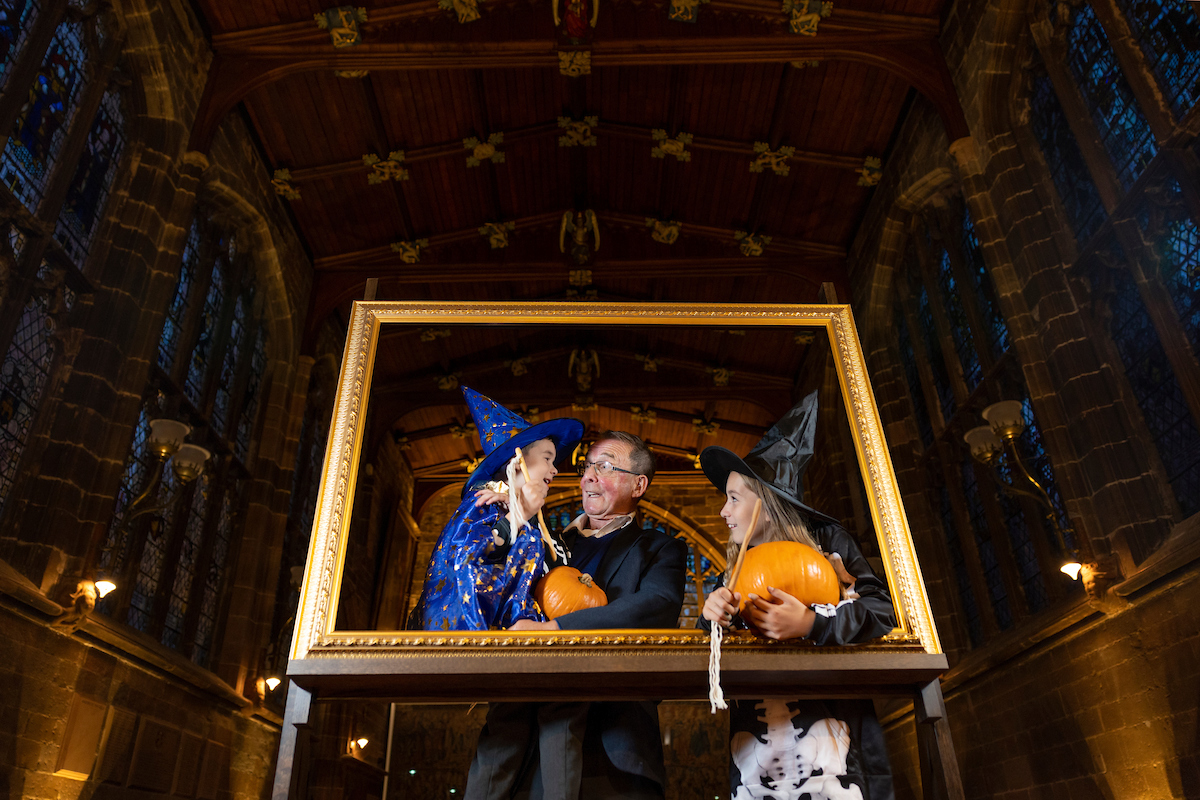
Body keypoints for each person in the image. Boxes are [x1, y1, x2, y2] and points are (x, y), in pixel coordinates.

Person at [467, 431, 687, 800]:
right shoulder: (543, 542)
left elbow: (656, 605)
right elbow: (486, 583)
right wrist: (508, 517)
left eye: (604, 467)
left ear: (638, 484)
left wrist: (555, 629)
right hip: (518, 744)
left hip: (611, 747)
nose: (587, 477)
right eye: (587, 467)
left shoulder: (661, 549)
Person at [699, 391, 897, 800]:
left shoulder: (828, 545)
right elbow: (712, 647)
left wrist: (812, 623)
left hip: (836, 731)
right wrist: (712, 617)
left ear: (767, 507)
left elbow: (881, 612)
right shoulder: (735, 570)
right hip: (757, 744)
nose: (723, 511)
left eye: (734, 499)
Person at [409, 386, 584, 632]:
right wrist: (517, 515)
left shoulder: (535, 523)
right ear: (517, 460)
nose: (555, 469)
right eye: (547, 458)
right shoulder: (484, 502)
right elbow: (464, 563)